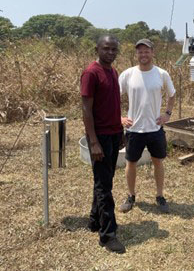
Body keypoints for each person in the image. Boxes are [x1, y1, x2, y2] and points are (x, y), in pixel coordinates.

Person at [118, 38, 176, 213]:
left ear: (152, 53)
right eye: (140, 51)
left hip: (155, 128)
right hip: (134, 129)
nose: (143, 54)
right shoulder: (127, 74)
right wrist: (119, 117)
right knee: (131, 162)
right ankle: (130, 196)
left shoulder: (161, 74)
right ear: (136, 54)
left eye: (147, 51)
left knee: (158, 161)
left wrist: (167, 113)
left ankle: (159, 196)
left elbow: (171, 94)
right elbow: (114, 97)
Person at [80, 35, 126, 254]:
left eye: (114, 49)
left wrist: (120, 131)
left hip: (113, 133)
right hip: (99, 136)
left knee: (105, 179)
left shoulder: (112, 71)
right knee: (104, 186)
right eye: (106, 48)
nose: (110, 52)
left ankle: (94, 220)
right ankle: (108, 235)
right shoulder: (91, 73)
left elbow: (113, 104)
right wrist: (94, 141)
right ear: (97, 48)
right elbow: (86, 110)